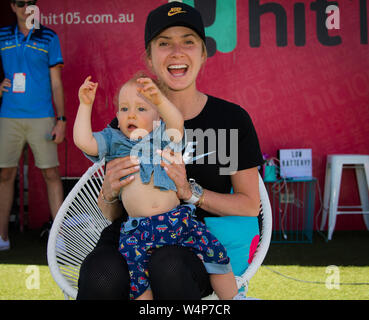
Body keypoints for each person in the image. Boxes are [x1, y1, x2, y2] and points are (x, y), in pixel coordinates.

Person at [77, 1, 263, 300]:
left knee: (169, 265)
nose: (177, 51)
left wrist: (189, 193)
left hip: (190, 242)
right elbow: (112, 211)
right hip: (131, 238)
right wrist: (108, 193)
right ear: (150, 59)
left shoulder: (232, 119)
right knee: (101, 274)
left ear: (203, 53)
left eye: (188, 42)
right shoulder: (129, 121)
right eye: (164, 43)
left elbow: (249, 205)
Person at [74, 74, 240, 300]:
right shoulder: (114, 140)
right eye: (124, 109)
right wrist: (85, 105)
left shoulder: (163, 137)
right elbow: (84, 141)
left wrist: (160, 100)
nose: (131, 114)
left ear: (157, 117)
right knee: (138, 282)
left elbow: (176, 122)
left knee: (216, 255)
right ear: (117, 116)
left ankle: (234, 298)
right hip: (136, 230)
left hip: (177, 221)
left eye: (142, 108)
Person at [0, 0, 65, 251]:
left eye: (30, 3)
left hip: (42, 117)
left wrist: (61, 120)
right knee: (5, 175)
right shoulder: (3, 35)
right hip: (9, 117)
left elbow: (57, 83)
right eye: (20, 3)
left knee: (51, 173)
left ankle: (59, 238)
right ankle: (3, 236)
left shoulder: (49, 36)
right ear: (12, 7)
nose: (26, 7)